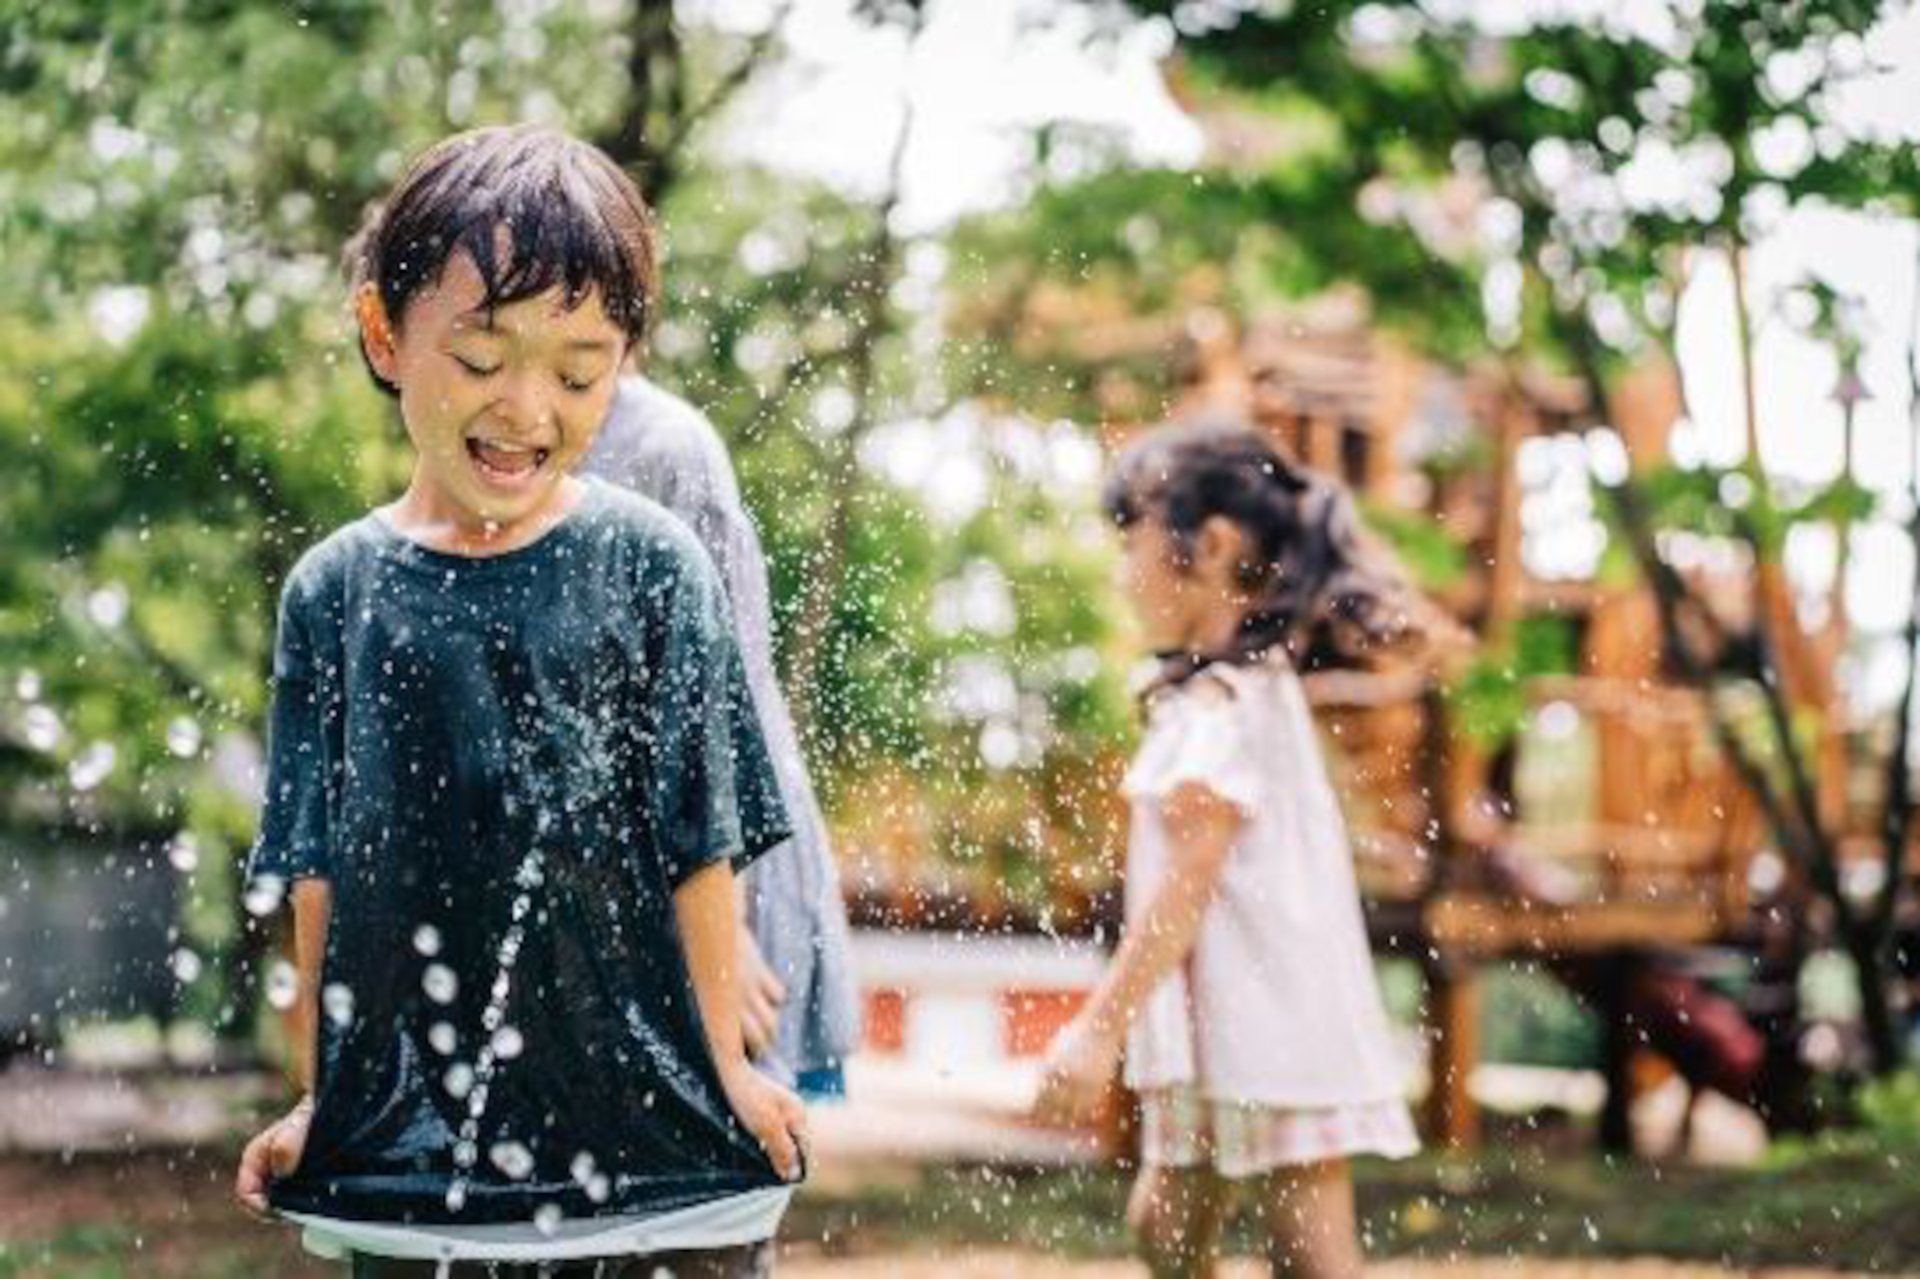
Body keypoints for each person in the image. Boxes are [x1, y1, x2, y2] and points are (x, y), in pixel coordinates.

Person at [232, 124, 805, 1278]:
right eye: (484, 360)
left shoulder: (651, 564)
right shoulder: (335, 594)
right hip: (422, 1166)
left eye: (579, 370)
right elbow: (318, 871)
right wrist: (327, 1101)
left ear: (625, 367)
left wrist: (726, 1071)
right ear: (386, 336)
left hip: (655, 1158)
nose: (527, 408)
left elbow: (705, 841)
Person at [1036, 420, 1442, 1279]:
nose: (1122, 570)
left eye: (1132, 543)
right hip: (1223, 1025)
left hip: (1271, 1024)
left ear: (1210, 545)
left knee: (1309, 1250)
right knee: (1168, 1226)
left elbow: (1186, 885)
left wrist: (1096, 1029)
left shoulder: (1225, 704)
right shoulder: (1232, 694)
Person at [582, 378, 858, 1104]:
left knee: (714, 1176)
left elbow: (718, 705)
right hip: (609, 888)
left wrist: (716, 932)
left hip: (721, 865)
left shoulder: (663, 449)